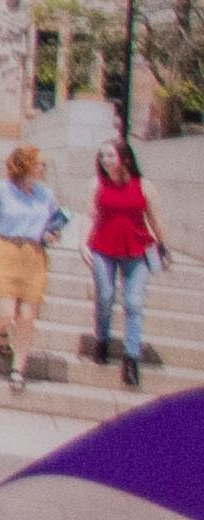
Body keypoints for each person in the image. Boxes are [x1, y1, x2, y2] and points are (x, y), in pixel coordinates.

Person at [0, 141, 66, 380]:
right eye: (40, 163)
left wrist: (53, 234)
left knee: (27, 316)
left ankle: (19, 369)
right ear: (25, 164)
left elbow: (53, 226)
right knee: (6, 312)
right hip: (5, 250)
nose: (43, 168)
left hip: (33, 254)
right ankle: (0, 333)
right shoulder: (0, 189)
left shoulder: (46, 195)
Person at [95, 141, 161, 387]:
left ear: (124, 158)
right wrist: (82, 243)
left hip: (137, 249)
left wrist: (162, 246)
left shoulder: (143, 185)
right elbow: (89, 215)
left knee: (134, 302)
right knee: (105, 296)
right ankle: (102, 338)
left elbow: (154, 218)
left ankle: (131, 358)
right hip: (103, 247)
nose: (105, 160)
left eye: (110, 155)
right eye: (102, 156)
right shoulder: (98, 184)